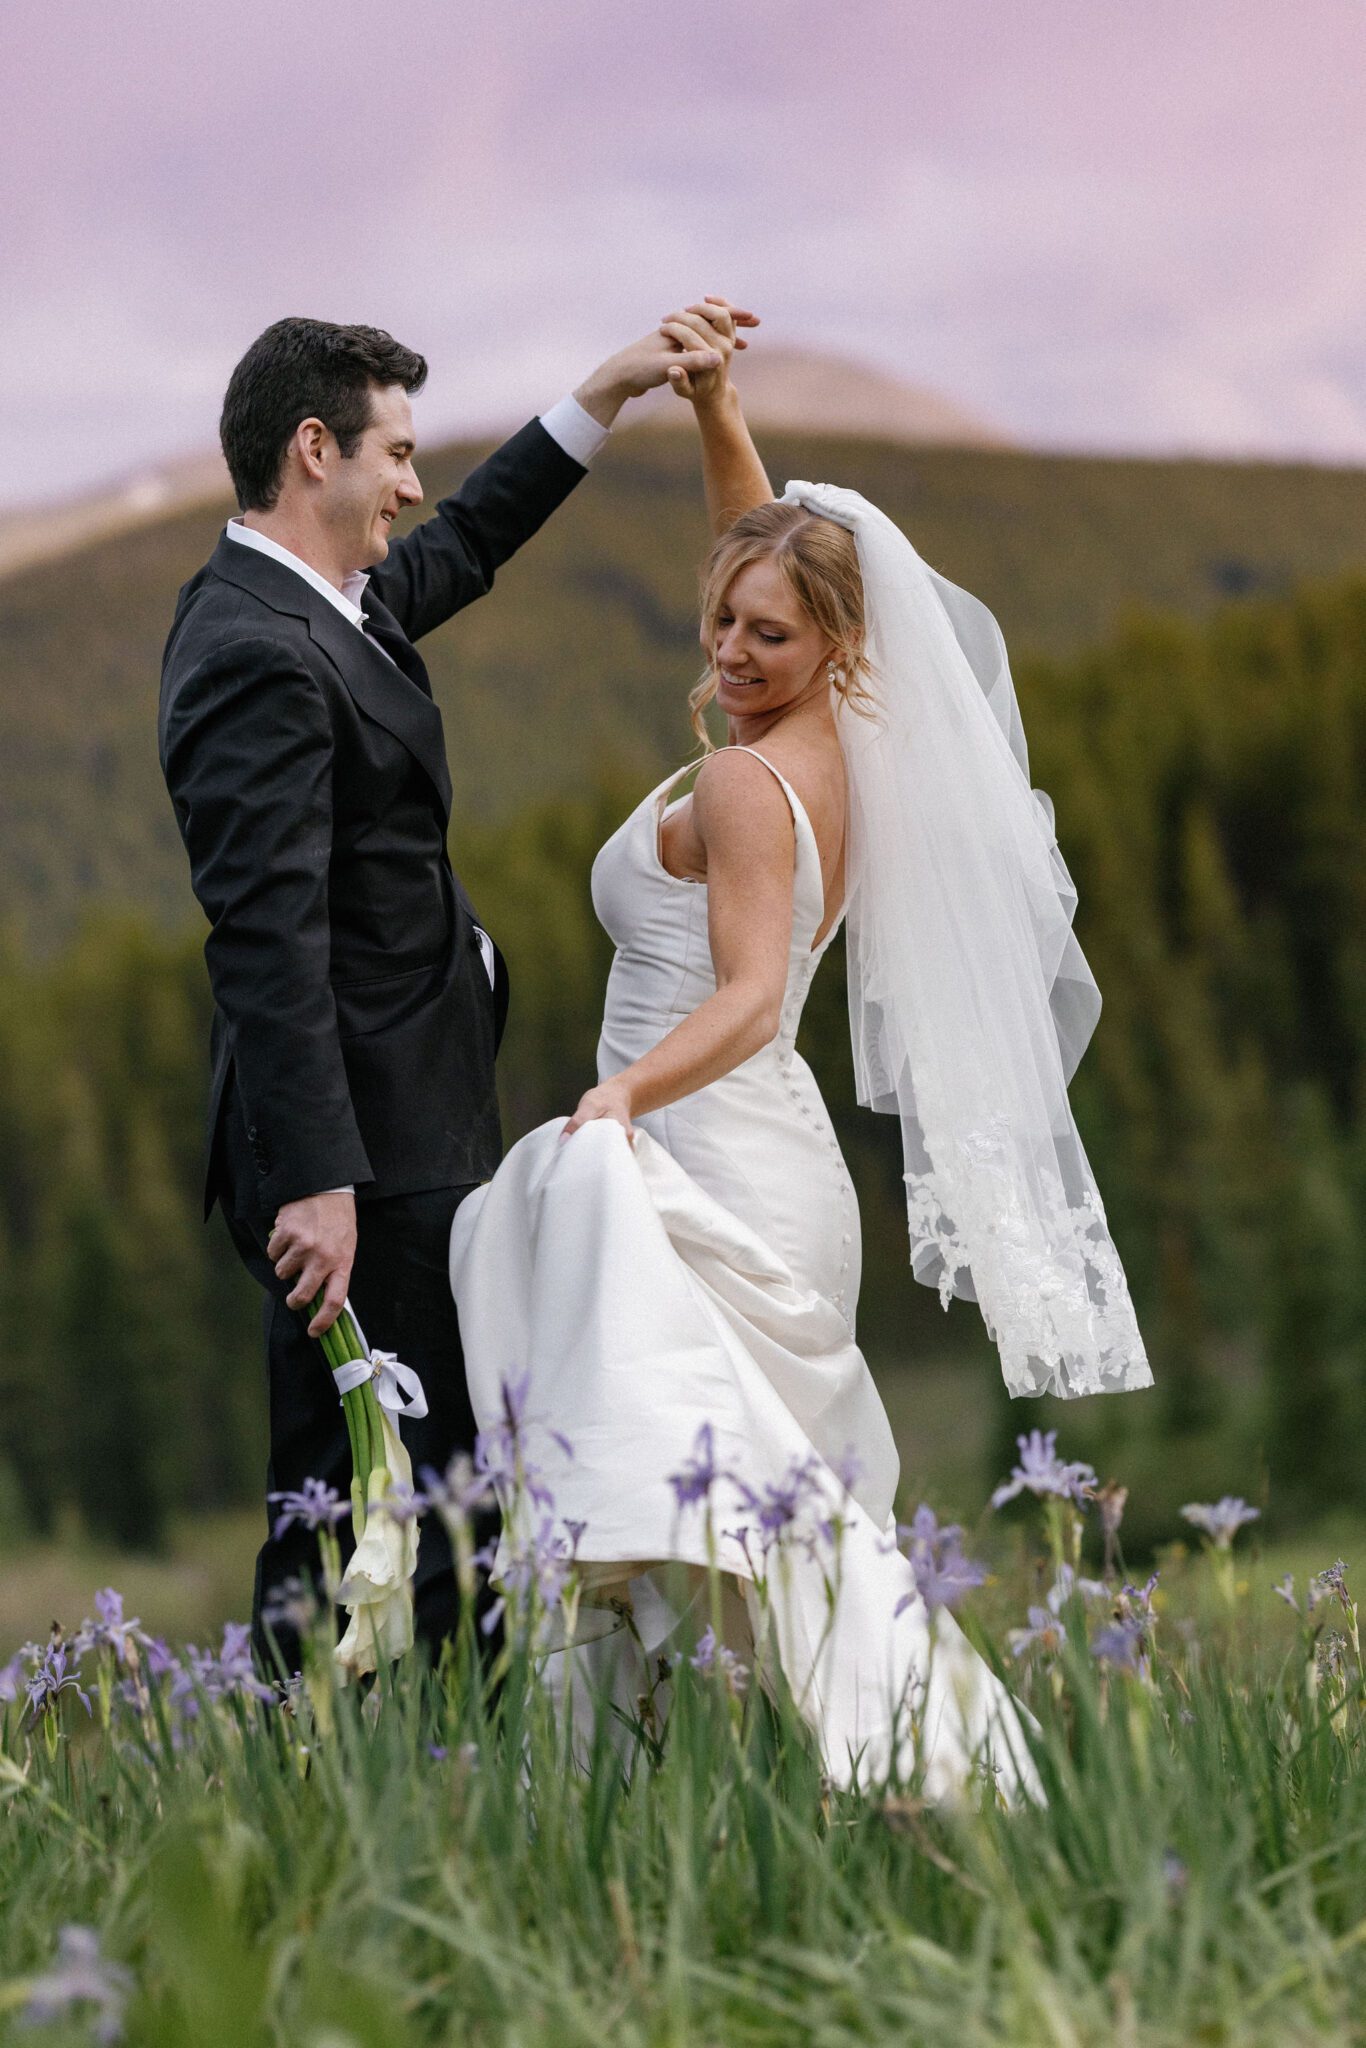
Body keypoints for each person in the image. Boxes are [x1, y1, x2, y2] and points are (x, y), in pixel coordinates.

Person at [449, 311, 1152, 1800]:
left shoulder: (746, 776)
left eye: (767, 635)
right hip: (755, 1161)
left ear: (833, 638)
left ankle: (915, 1771)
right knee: (732, 1517)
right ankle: (669, 1801)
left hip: (713, 1153)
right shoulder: (843, 730)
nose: (731, 650)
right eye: (722, 624)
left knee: (727, 1516)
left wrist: (615, 1100)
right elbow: (757, 548)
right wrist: (714, 408)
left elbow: (756, 999)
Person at [158, 307, 740, 1669]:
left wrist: (604, 395)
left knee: (357, 1493)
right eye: (397, 455)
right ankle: (406, 1795)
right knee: (415, 1506)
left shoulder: (311, 602)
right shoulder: (257, 649)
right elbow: (265, 934)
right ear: (316, 451)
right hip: (358, 1157)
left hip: (396, 1127)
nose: (413, 486)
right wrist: (319, 1181)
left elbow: (465, 545)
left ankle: (318, 1790)